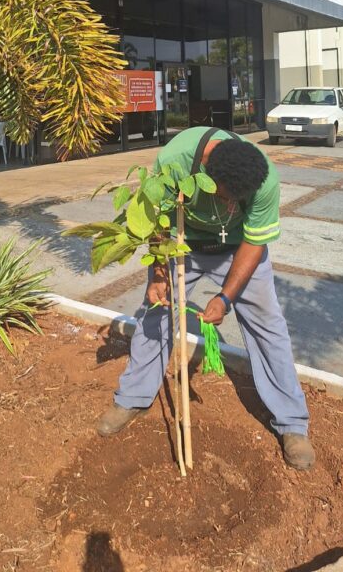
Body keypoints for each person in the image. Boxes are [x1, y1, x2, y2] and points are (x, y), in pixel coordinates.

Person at [97, 126, 315, 472]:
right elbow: (154, 220)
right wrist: (157, 274)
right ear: (206, 175)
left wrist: (226, 298)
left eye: (237, 202)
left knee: (268, 327)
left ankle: (292, 423)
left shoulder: (265, 178)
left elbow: (255, 242)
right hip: (185, 244)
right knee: (155, 314)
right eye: (226, 197)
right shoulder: (174, 163)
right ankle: (132, 399)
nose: (231, 206)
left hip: (239, 249)